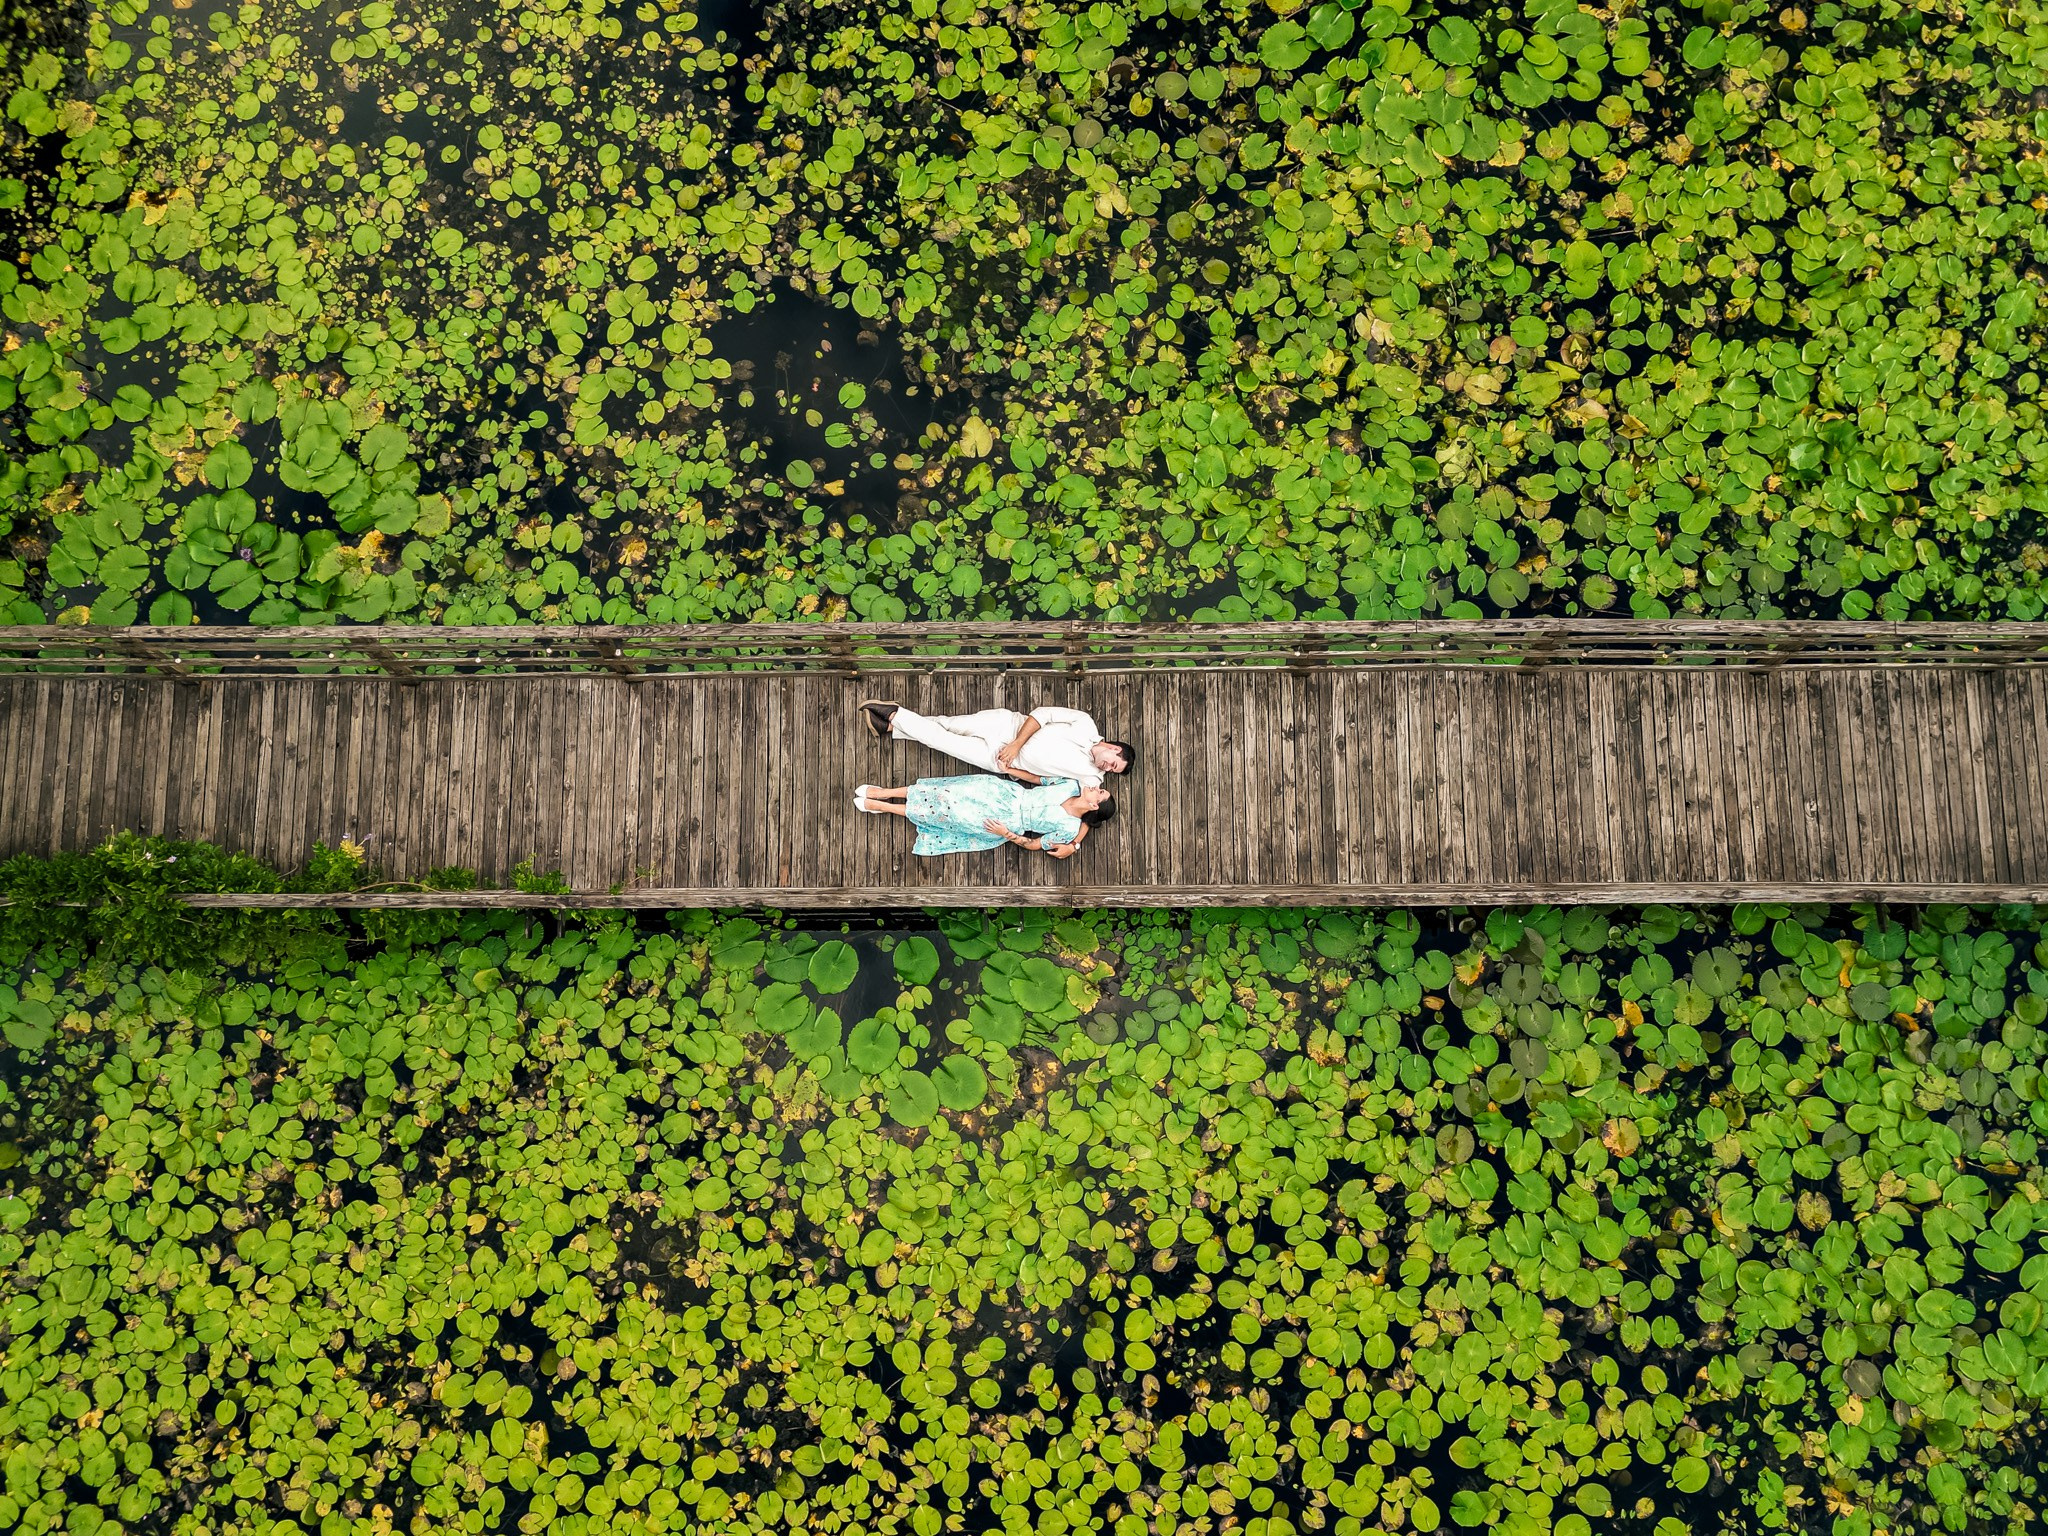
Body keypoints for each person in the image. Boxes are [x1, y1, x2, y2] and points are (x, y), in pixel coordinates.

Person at [860, 701, 1134, 789]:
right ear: (1113, 748)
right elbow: (1041, 714)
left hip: (999, 759)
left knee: (941, 740)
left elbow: (1046, 781)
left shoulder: (1092, 779)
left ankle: (895, 715)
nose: (1108, 769)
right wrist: (1015, 744)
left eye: (1113, 771)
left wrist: (1013, 769)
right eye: (1114, 763)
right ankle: (892, 726)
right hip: (1007, 726)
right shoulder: (1084, 723)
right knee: (945, 723)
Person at [854, 775, 1114, 859]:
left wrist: (1007, 834)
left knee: (948, 811)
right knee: (945, 791)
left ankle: (885, 808)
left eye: (1099, 792)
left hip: (1008, 823)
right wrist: (1009, 769)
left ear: (1093, 806)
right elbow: (1037, 779)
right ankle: (885, 792)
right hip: (1008, 793)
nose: (1096, 787)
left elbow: (1035, 844)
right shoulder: (1070, 784)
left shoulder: (1069, 828)